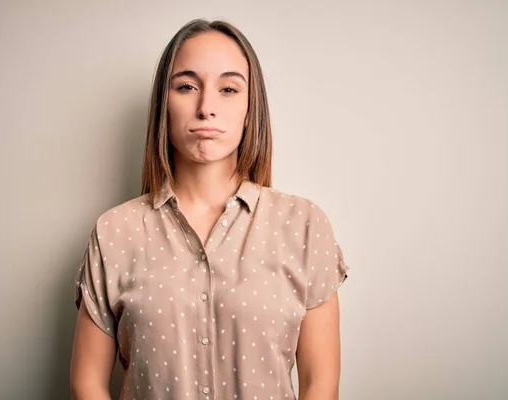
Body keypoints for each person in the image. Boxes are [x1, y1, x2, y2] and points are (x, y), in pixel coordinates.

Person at [70, 18, 349, 400]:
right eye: (186, 87)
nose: (206, 108)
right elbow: (87, 385)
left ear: (252, 109)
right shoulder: (115, 231)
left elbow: (320, 384)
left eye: (229, 89)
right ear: (163, 106)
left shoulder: (304, 226)